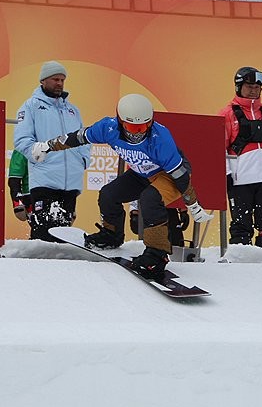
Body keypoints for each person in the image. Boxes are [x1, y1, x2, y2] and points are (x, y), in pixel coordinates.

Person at [30, 93, 213, 277]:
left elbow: (180, 176)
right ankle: (112, 235)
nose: (138, 132)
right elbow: (77, 137)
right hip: (142, 172)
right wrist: (48, 145)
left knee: (149, 199)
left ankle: (157, 255)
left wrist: (193, 205)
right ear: (120, 121)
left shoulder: (160, 138)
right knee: (109, 194)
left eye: (143, 126)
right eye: (132, 127)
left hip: (168, 175)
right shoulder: (107, 128)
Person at [13, 61, 88, 241]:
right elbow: (21, 139)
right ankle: (37, 268)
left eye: (62, 79)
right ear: (43, 80)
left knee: (64, 236)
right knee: (43, 234)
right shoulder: (30, 106)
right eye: (55, 79)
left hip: (71, 183)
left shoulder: (72, 110)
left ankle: (60, 269)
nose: (60, 83)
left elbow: (84, 138)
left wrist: (83, 160)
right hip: (44, 180)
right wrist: (37, 154)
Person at [220, 66, 262, 248]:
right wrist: (226, 174)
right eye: (249, 86)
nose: (253, 90)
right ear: (239, 87)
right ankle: (240, 264)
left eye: (257, 87)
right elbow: (219, 148)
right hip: (240, 179)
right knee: (241, 225)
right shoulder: (227, 114)